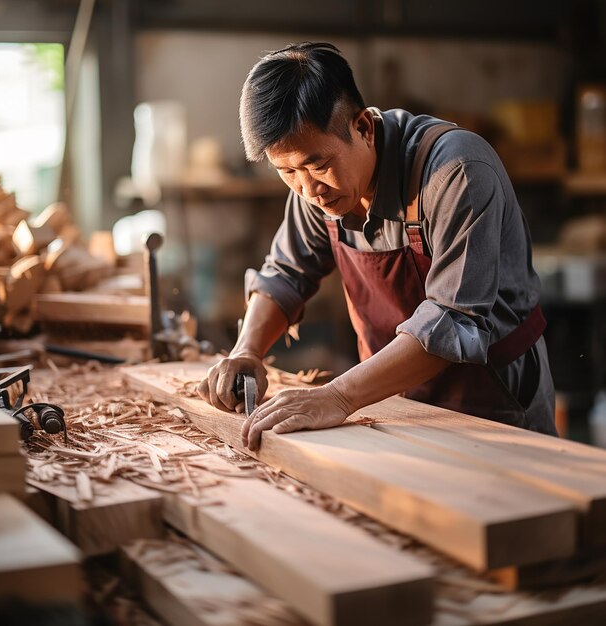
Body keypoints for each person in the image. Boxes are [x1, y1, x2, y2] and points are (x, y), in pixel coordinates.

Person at [197, 42, 557, 450]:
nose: (309, 189)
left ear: (364, 128)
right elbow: (287, 273)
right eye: (287, 171)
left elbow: (451, 321)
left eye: (318, 165)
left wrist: (336, 396)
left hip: (493, 400)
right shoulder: (316, 188)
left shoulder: (455, 172)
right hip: (390, 396)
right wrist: (248, 349)